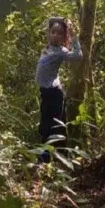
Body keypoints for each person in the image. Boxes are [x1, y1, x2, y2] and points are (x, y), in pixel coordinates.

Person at [35, 17, 81, 162]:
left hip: (54, 93)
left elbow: (78, 56)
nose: (55, 35)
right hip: (46, 93)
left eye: (59, 33)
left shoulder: (61, 51)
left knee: (53, 125)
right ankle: (49, 155)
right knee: (45, 124)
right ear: (49, 33)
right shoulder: (48, 48)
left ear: (63, 37)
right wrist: (63, 20)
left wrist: (73, 36)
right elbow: (50, 19)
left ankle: (49, 157)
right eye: (53, 32)